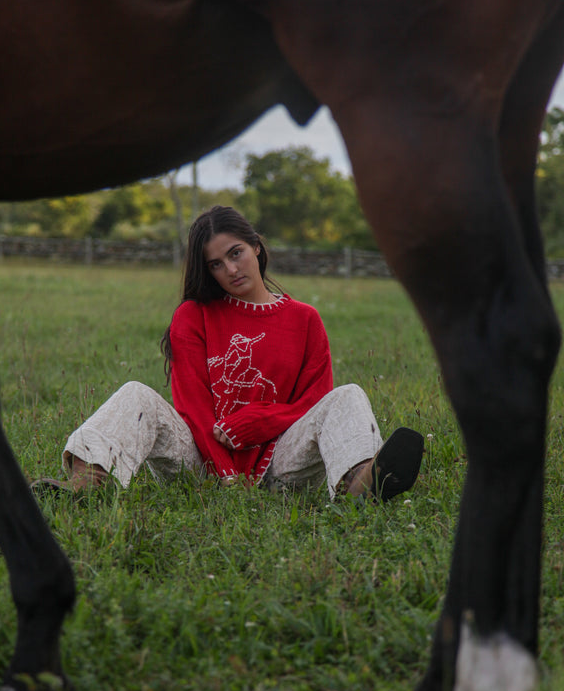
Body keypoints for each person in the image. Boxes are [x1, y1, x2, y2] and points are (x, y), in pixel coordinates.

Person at [32, 206, 423, 501]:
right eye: (216, 265)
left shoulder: (305, 319)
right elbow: (194, 405)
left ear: (255, 245)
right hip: (200, 462)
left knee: (349, 394)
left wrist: (264, 419)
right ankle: (86, 485)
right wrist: (224, 474)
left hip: (281, 463)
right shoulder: (194, 315)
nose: (230, 269)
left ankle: (364, 482)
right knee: (136, 393)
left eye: (236, 253)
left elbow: (314, 400)